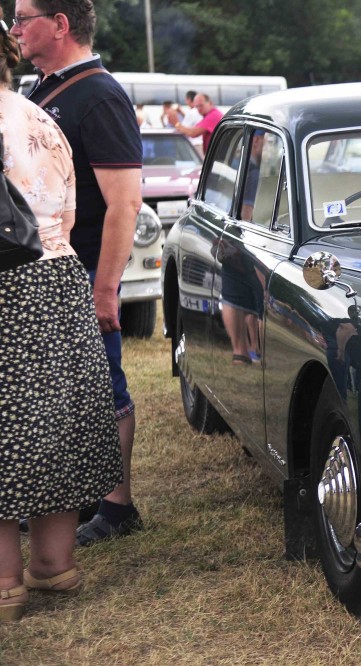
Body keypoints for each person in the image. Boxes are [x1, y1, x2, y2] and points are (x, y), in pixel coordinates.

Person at [0, 12, 122, 622]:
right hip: (59, 274)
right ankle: (54, 564)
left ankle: (3, 581)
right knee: (54, 418)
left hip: (7, 283)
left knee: (7, 425)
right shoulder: (39, 115)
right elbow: (71, 205)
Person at [15, 0, 144, 546]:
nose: (15, 28)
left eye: (23, 17)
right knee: (56, 391)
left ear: (60, 25)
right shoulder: (41, 88)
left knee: (104, 384)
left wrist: (106, 290)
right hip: (48, 270)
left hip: (83, 269)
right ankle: (73, 497)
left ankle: (118, 508)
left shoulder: (100, 95)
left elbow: (125, 204)